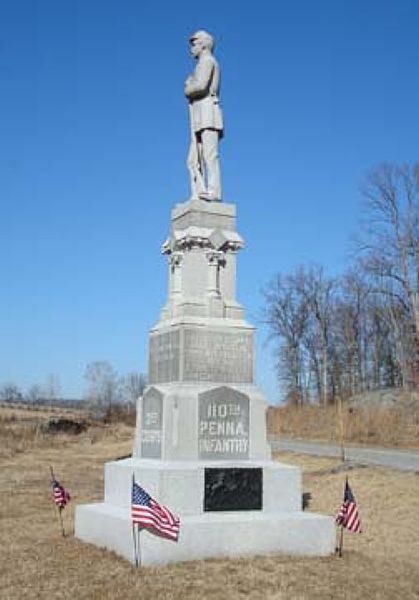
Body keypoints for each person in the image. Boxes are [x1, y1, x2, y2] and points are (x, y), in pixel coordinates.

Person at [185, 30, 224, 202]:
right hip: (200, 114)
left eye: (194, 44)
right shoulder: (202, 63)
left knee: (210, 155)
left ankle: (214, 192)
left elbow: (201, 86)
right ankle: (199, 192)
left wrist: (188, 87)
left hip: (209, 113)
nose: (191, 48)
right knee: (195, 158)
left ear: (203, 44)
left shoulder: (207, 61)